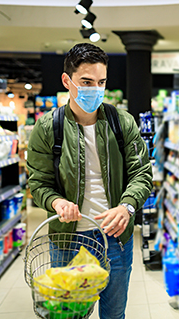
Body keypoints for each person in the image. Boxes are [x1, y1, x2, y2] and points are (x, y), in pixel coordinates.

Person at [26, 43, 153, 319]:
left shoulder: (123, 123)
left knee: (113, 314)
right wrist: (57, 201)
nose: (95, 89)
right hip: (68, 240)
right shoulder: (49, 128)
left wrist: (127, 207)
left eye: (101, 82)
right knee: (70, 315)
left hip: (115, 238)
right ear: (67, 81)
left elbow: (142, 173)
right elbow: (38, 183)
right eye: (86, 82)